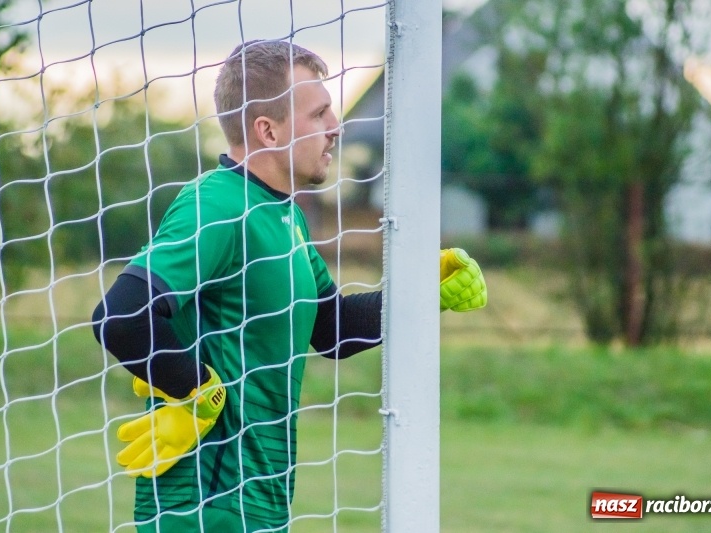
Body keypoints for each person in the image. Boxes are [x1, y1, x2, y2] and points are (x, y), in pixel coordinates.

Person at [92, 40, 486, 532]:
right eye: (319, 114)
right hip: (205, 502)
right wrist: (195, 391)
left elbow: (331, 328)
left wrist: (426, 290)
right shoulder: (217, 204)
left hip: (262, 500)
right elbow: (121, 316)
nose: (334, 128)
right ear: (268, 129)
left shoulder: (287, 216)